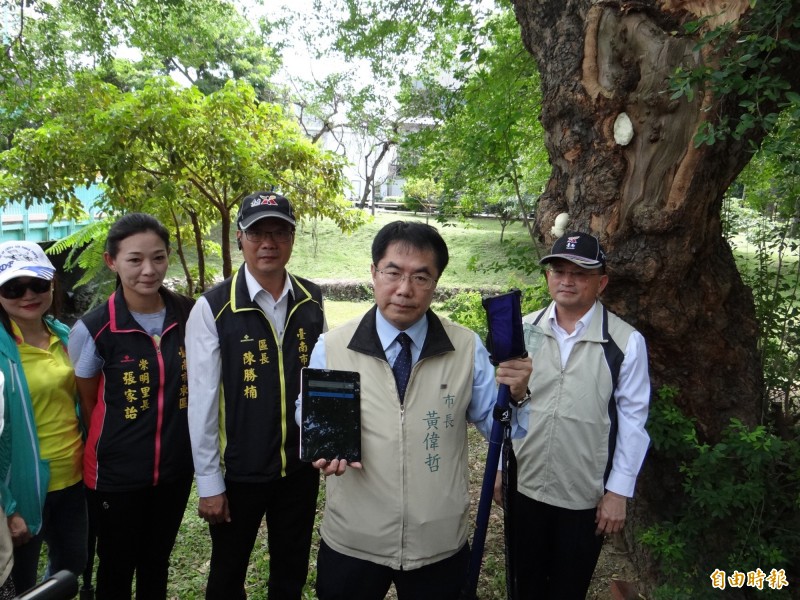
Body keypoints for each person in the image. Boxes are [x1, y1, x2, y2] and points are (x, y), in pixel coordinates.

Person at [299, 220, 533, 600]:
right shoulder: (334, 346)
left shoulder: (466, 348)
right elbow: (307, 412)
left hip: (438, 541)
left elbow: (501, 430)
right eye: (393, 272)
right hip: (354, 537)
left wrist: (519, 395)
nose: (404, 289)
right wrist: (319, 440)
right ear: (373, 273)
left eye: (421, 277)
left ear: (435, 283)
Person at [186, 191, 325, 600]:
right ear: (240, 239)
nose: (268, 242)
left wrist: (323, 445)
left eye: (279, 231)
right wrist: (209, 482)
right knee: (228, 575)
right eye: (257, 232)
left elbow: (319, 379)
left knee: (291, 569)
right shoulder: (213, 308)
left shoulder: (311, 299)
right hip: (239, 472)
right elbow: (203, 403)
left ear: (292, 237)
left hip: (298, 469)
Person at [505, 231, 651, 599]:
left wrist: (618, 491)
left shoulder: (624, 341)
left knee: (569, 587)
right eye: (558, 270)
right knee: (524, 583)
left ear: (601, 282)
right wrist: (499, 472)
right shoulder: (523, 330)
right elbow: (502, 406)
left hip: (583, 493)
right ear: (548, 277)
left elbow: (633, 421)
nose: (567, 280)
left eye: (580, 273)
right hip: (525, 484)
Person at [68, 213, 194, 600]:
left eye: (158, 257)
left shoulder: (190, 315)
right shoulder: (93, 329)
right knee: (116, 567)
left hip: (174, 470)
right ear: (111, 261)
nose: (148, 270)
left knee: (156, 562)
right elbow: (90, 402)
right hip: (115, 475)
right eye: (135, 260)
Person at [0, 241, 87, 593]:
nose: (28, 295)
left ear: (52, 285)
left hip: (74, 478)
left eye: (37, 284)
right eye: (13, 288)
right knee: (21, 583)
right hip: (21, 488)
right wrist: (7, 508)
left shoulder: (64, 335)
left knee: (70, 570)